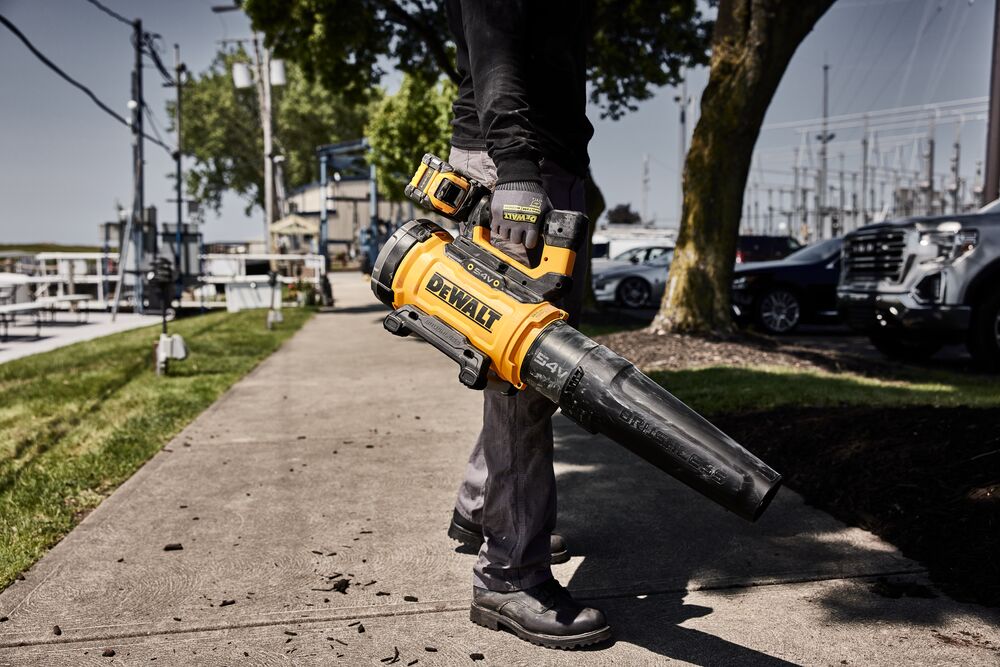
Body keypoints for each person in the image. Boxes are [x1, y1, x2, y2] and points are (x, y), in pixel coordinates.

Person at [443, 0, 612, 650]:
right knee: (526, 373)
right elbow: (495, 47)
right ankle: (508, 574)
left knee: (521, 369)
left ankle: (483, 506)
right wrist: (516, 170)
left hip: (541, 158)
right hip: (519, 163)